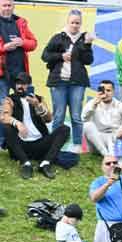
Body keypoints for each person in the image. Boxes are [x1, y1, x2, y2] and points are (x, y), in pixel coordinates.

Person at [41, 9, 93, 151]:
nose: (75, 25)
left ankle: (77, 145)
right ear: (67, 22)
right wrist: (61, 56)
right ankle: (54, 144)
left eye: (77, 23)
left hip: (77, 83)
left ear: (81, 23)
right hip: (59, 82)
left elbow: (89, 61)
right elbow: (45, 55)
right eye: (72, 22)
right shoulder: (58, 37)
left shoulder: (84, 39)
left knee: (76, 115)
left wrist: (87, 45)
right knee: (58, 115)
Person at [1, 72, 68, 179]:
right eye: (18, 83)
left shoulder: (39, 99)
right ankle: (26, 163)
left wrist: (37, 105)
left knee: (64, 129)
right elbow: (4, 117)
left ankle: (45, 163)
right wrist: (17, 123)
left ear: (29, 85)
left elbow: (48, 119)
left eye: (23, 83)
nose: (19, 86)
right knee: (6, 127)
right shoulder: (10, 99)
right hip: (21, 146)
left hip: (39, 144)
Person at [82, 80, 122, 157]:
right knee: (87, 125)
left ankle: (112, 158)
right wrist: (93, 106)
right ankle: (107, 156)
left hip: (114, 138)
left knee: (112, 137)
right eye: (102, 90)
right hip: (97, 141)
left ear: (113, 92)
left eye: (108, 90)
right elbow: (83, 119)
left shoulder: (119, 105)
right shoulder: (93, 103)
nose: (105, 93)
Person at [0, 0, 36, 112]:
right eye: (4, 5)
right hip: (2, 74)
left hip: (21, 74)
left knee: (27, 106)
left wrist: (22, 42)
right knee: (3, 109)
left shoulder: (20, 22)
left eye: (9, 5)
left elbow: (33, 43)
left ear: (13, 6)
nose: (7, 8)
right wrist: (4, 48)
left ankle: (24, 129)